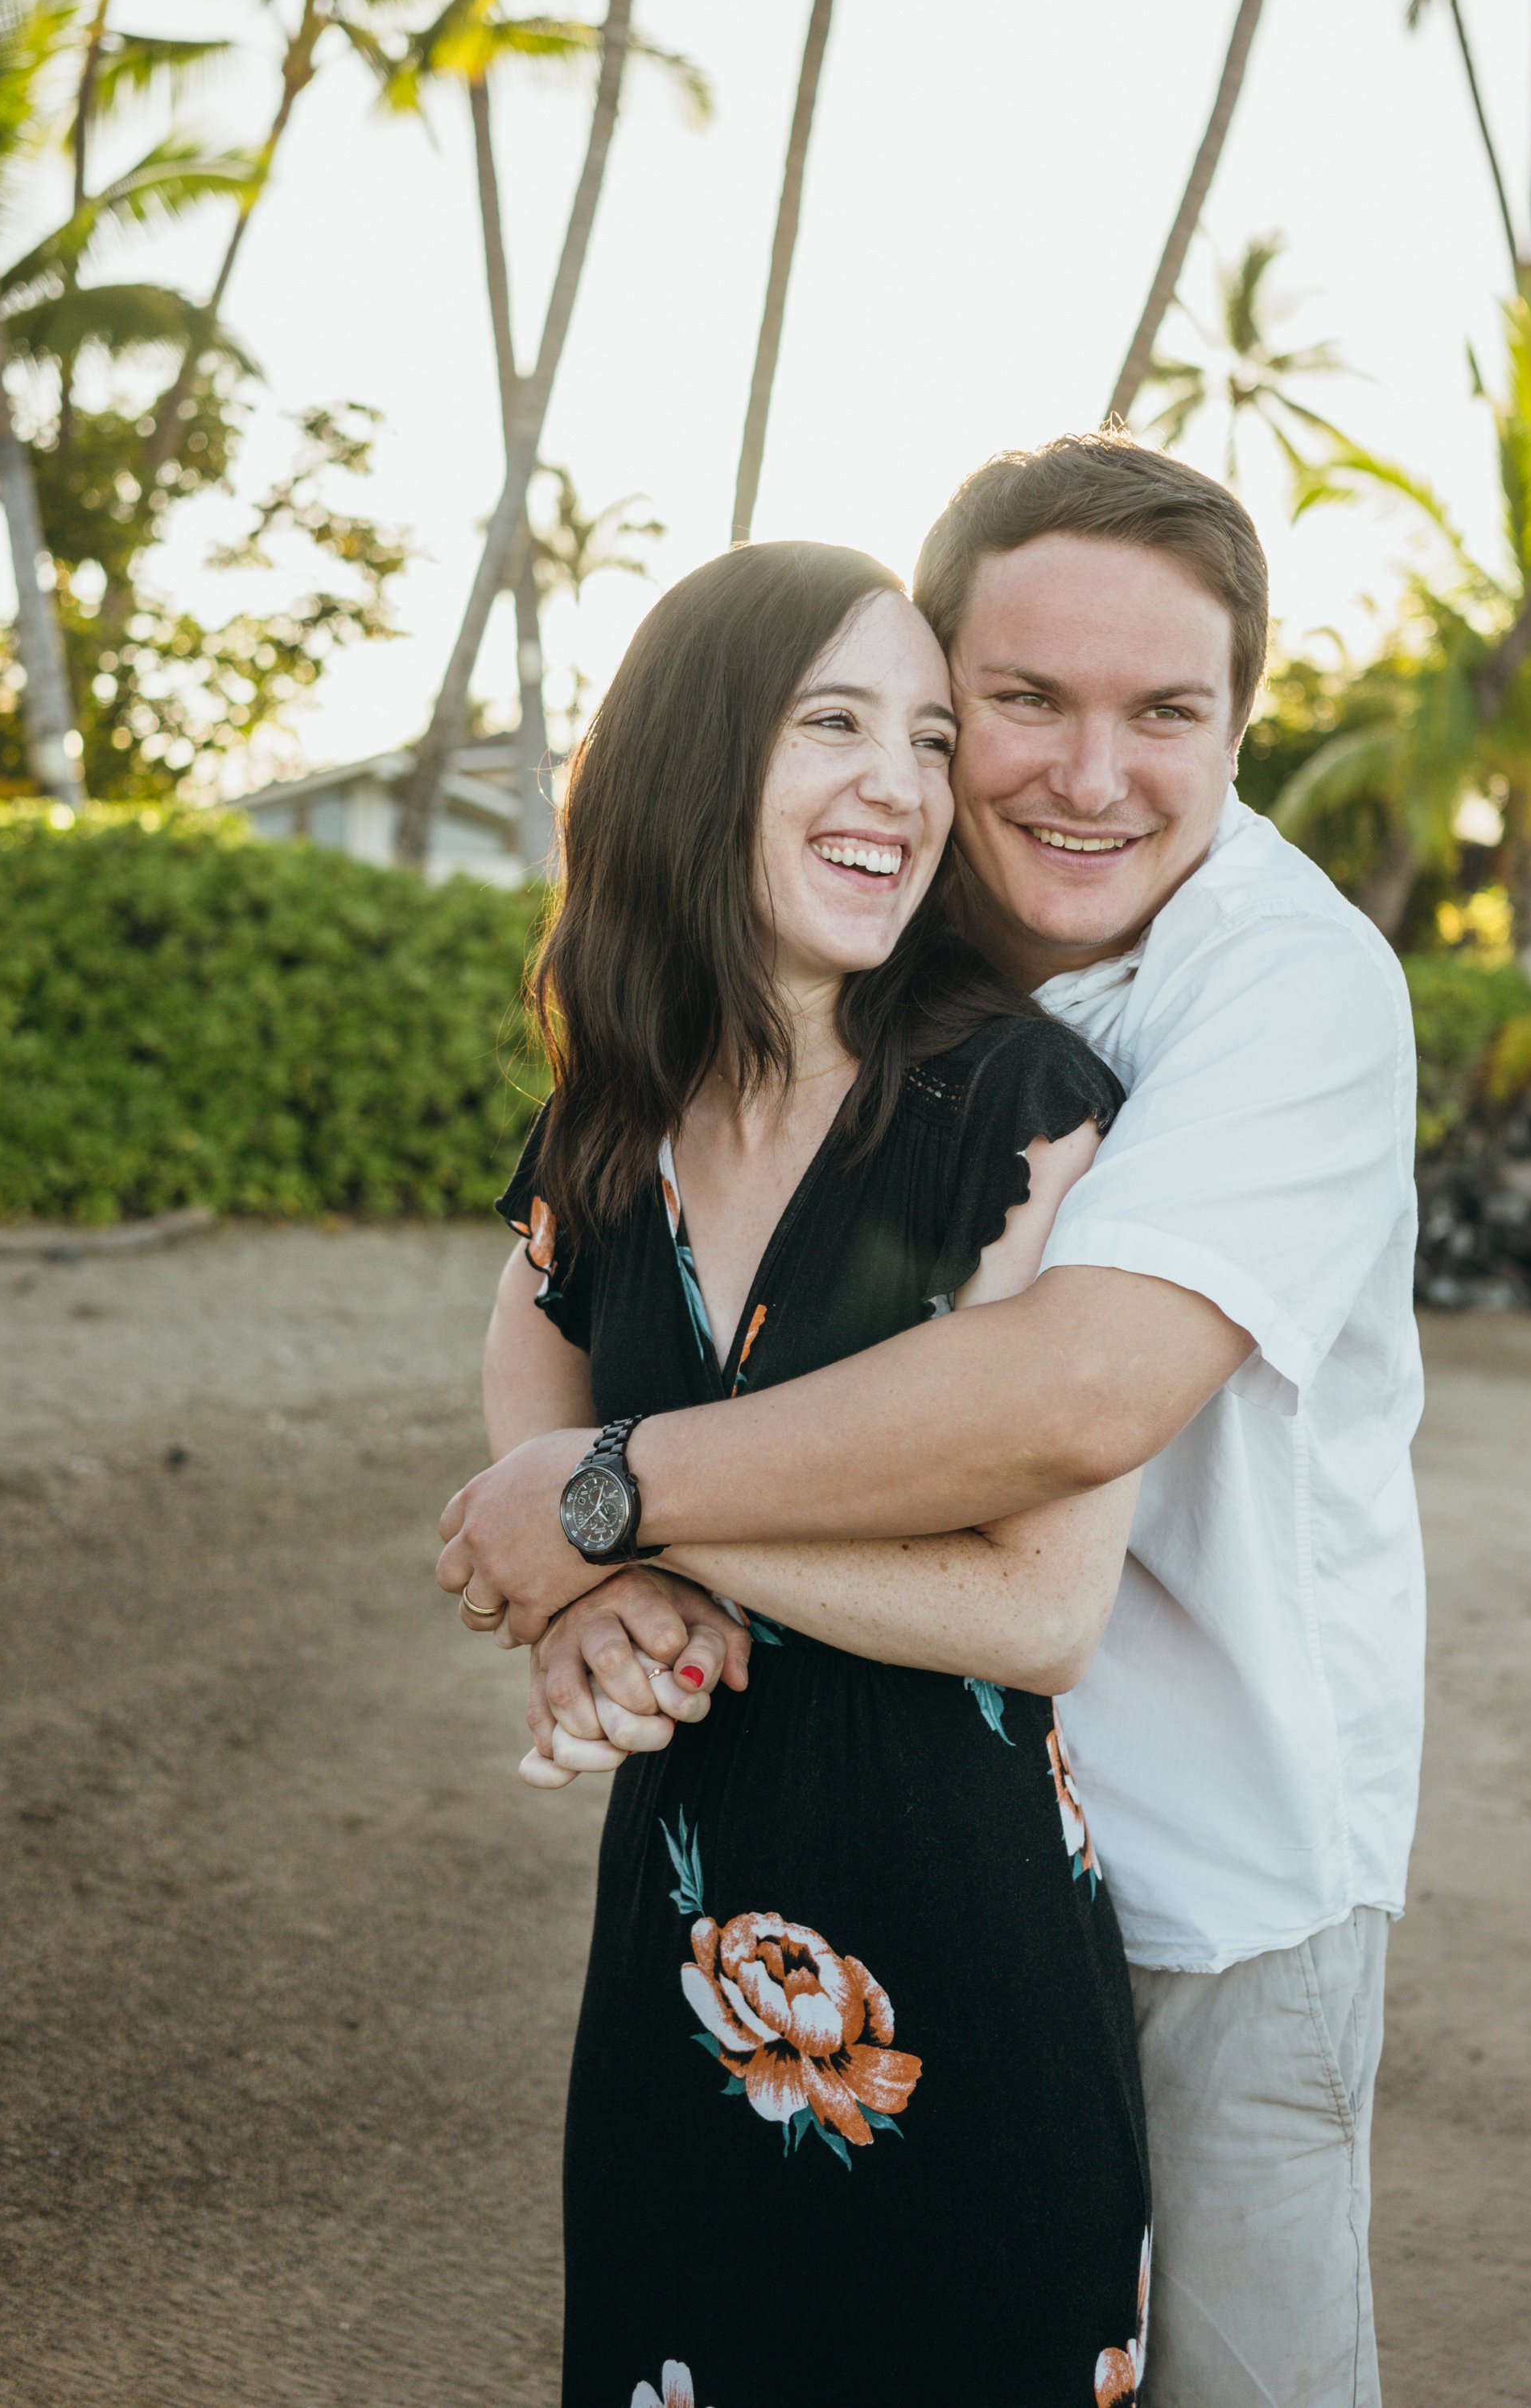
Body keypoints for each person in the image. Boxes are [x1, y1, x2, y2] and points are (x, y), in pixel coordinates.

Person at [443, 433, 1424, 2408]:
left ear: (1241, 726)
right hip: (813, 1851)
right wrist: (576, 1588)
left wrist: (612, 1504)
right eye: (1019, 703)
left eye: (1166, 712)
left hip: (1211, 1869)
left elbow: (1066, 1397)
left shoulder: (1283, 991)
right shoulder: (879, 948)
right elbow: (561, 1307)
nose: (1087, 773)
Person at [475, 536, 1154, 2406]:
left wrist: (623, 1512)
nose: (903, 788)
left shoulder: (1020, 1107)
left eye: (927, 738)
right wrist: (602, 1580)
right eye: (832, 724)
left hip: (967, 1977)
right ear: (696, 760)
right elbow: (524, 1383)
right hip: (673, 1952)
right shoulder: (611, 1112)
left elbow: (1037, 1608)